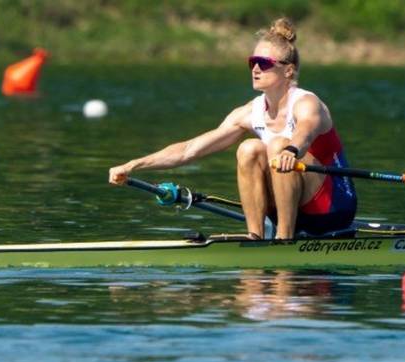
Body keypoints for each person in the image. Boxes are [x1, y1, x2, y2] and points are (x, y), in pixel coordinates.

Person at [108, 18, 357, 240]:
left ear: (288, 70)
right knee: (248, 149)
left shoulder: (307, 103)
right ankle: (255, 236)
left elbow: (305, 132)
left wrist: (291, 151)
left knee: (278, 145)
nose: (255, 69)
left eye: (263, 62)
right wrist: (133, 165)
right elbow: (188, 150)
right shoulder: (249, 112)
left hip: (331, 208)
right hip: (289, 208)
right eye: (252, 62)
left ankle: (284, 240)